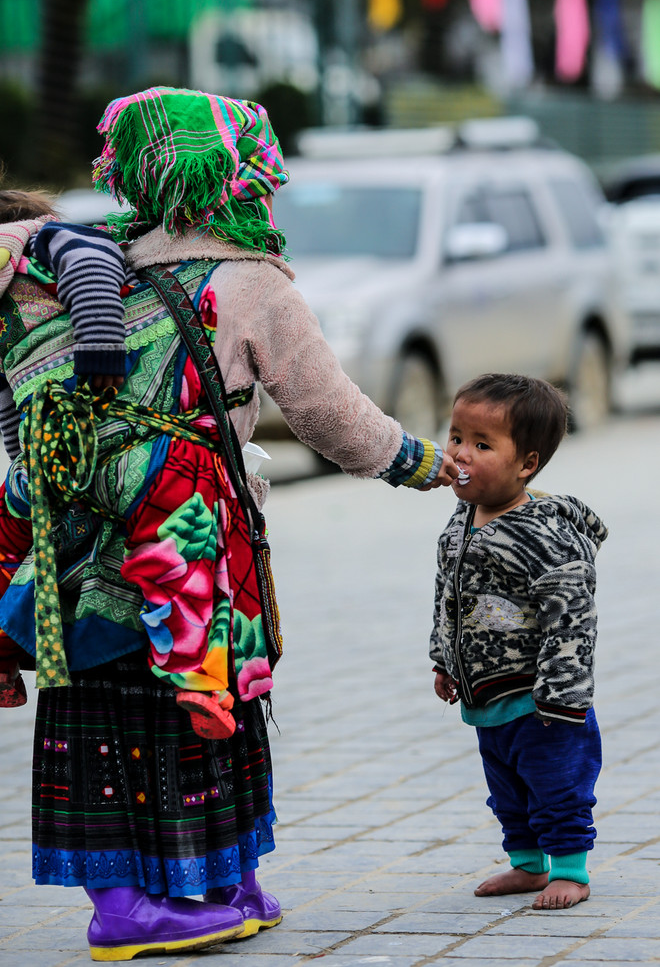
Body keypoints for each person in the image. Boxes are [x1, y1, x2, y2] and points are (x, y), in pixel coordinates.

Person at [0, 86, 458, 962]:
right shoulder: (249, 281)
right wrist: (422, 463)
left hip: (81, 536)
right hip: (191, 546)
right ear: (240, 175)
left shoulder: (84, 259)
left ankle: (196, 887)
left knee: (104, 707)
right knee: (205, 699)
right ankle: (143, 907)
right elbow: (333, 419)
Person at [430, 373, 606, 911]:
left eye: (482, 445)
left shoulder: (542, 533)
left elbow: (572, 618)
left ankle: (571, 870)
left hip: (542, 700)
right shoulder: (460, 523)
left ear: (526, 464)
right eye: (457, 436)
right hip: (487, 696)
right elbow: (449, 598)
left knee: (556, 785)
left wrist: (561, 694)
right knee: (506, 789)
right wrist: (446, 660)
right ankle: (528, 865)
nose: (461, 454)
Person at [0, 188, 130, 707]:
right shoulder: (24, 265)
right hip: (55, 440)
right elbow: (7, 391)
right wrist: (21, 465)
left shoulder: (48, 240)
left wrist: (100, 352)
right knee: (15, 536)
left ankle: (8, 653)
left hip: (90, 412)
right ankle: (8, 652)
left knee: (14, 544)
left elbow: (92, 266)